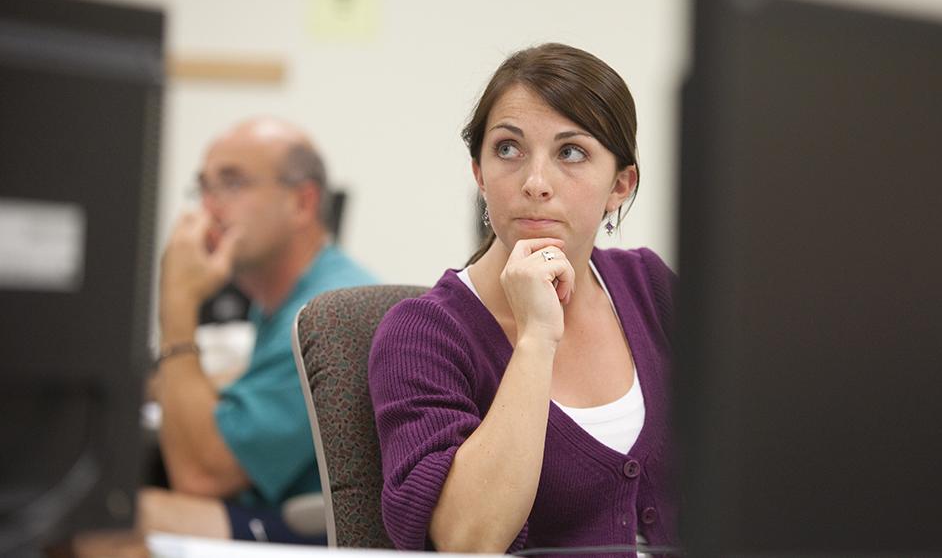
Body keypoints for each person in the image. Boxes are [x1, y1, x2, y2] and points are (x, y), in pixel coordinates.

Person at [368, 43, 678, 556]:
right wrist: (536, 340)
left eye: (570, 152)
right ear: (479, 174)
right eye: (508, 149)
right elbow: (467, 540)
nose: (535, 183)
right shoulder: (422, 334)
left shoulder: (651, 286)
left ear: (620, 185)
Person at [144, 117, 376, 544]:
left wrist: (177, 303)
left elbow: (200, 475)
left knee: (109, 516)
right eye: (205, 188)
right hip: (283, 510)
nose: (208, 208)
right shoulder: (283, 298)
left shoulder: (323, 310)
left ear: (302, 203)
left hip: (315, 531)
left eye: (231, 184)